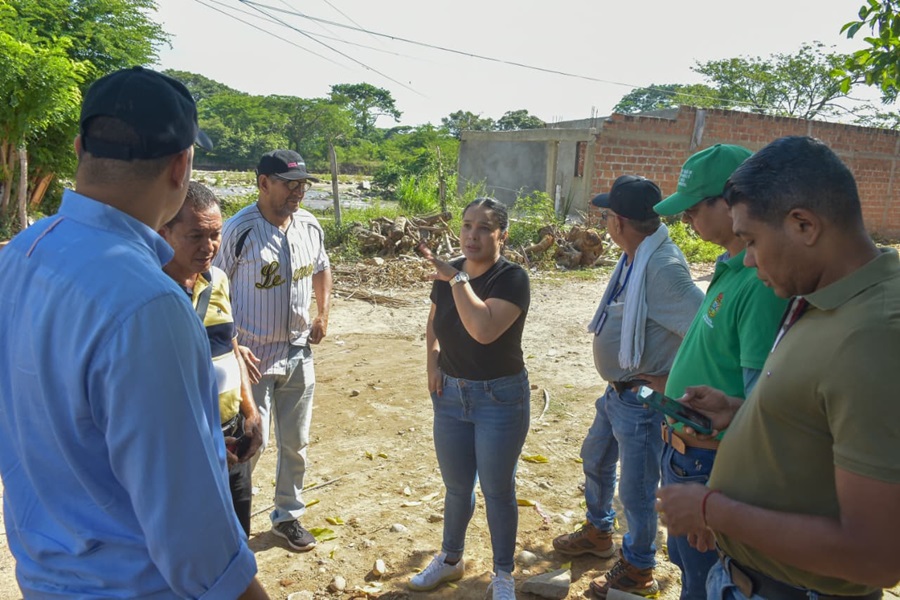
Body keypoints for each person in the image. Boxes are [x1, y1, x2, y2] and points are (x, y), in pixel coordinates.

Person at [0, 67, 267, 598]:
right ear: (181, 165)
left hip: (45, 576)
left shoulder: (23, 255)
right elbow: (195, 537)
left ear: (80, 148)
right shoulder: (149, 303)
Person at [657, 135, 900, 599]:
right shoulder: (828, 298)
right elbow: (819, 416)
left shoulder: (874, 336)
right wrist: (739, 411)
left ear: (803, 225)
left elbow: (876, 555)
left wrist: (711, 510)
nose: (748, 258)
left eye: (751, 240)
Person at [552, 176, 703, 599]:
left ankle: (638, 568)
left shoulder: (662, 268)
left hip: (642, 400)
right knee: (596, 457)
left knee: (636, 490)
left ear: (618, 222)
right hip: (619, 392)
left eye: (606, 215)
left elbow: (705, 330)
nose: (604, 222)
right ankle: (598, 532)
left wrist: (672, 379)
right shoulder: (637, 255)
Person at [651, 144, 788, 599]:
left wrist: (718, 497)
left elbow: (761, 403)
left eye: (693, 209)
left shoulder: (760, 283)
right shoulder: (732, 267)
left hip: (712, 463)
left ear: (730, 204)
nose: (687, 219)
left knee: (708, 580)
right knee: (692, 572)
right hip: (687, 452)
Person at [408, 198, 531, 600]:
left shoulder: (512, 279)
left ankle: (503, 573)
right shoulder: (451, 271)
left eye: (483, 228)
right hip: (450, 395)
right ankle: (450, 558)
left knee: (497, 489)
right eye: (466, 225)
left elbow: (482, 329)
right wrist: (432, 364)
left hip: (500, 399)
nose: (472, 235)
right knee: (457, 487)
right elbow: (434, 323)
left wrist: (456, 279)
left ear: (502, 235)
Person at [214, 149, 333, 552]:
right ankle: (231, 523)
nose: (298, 192)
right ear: (263, 183)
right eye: (289, 184)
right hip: (253, 357)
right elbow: (213, 289)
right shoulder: (239, 230)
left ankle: (287, 516)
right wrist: (232, 346)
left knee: (295, 442)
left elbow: (322, 268)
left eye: (302, 185)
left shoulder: (309, 226)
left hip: (298, 350)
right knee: (253, 443)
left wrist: (323, 313)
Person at [160, 181, 264, 537]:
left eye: (215, 235)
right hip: (182, 449)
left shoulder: (218, 280)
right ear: (164, 232)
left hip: (231, 438)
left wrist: (250, 412)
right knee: (194, 545)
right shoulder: (149, 293)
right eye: (196, 236)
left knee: (238, 539)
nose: (209, 247)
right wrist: (203, 442)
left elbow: (232, 348)